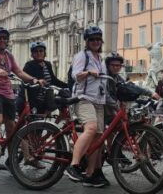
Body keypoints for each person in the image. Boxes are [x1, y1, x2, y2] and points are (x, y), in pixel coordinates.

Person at [0, 27, 45, 170]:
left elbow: (19, 72)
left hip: (8, 93)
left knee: (11, 128)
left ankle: (12, 161)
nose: (2, 40)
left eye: (4, 38)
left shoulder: (9, 55)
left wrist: (33, 80)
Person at [65, 26, 111, 188]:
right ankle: (74, 165)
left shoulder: (100, 59)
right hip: (83, 99)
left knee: (98, 137)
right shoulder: (82, 56)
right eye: (92, 39)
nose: (96, 42)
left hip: (99, 101)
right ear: (87, 41)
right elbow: (75, 75)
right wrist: (89, 73)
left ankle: (91, 173)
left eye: (98, 39)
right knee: (91, 128)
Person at [18, 42, 68, 115]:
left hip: (47, 97)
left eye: (41, 51)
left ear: (45, 53)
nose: (39, 53)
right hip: (34, 99)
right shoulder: (29, 65)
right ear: (32, 54)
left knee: (64, 98)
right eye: (36, 51)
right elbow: (26, 80)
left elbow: (53, 80)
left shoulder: (47, 64)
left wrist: (67, 85)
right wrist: (37, 81)